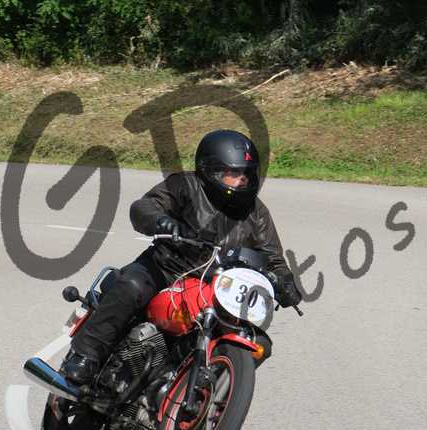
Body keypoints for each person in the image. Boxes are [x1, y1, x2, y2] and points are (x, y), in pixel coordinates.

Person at [59, 129, 303, 385]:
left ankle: (208, 391)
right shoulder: (185, 186)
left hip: (218, 288)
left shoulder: (256, 211)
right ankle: (85, 355)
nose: (242, 180)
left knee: (259, 342)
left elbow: (273, 258)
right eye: (234, 173)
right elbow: (145, 206)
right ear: (211, 171)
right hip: (167, 268)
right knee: (132, 286)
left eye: (246, 174)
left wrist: (285, 281)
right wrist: (161, 221)